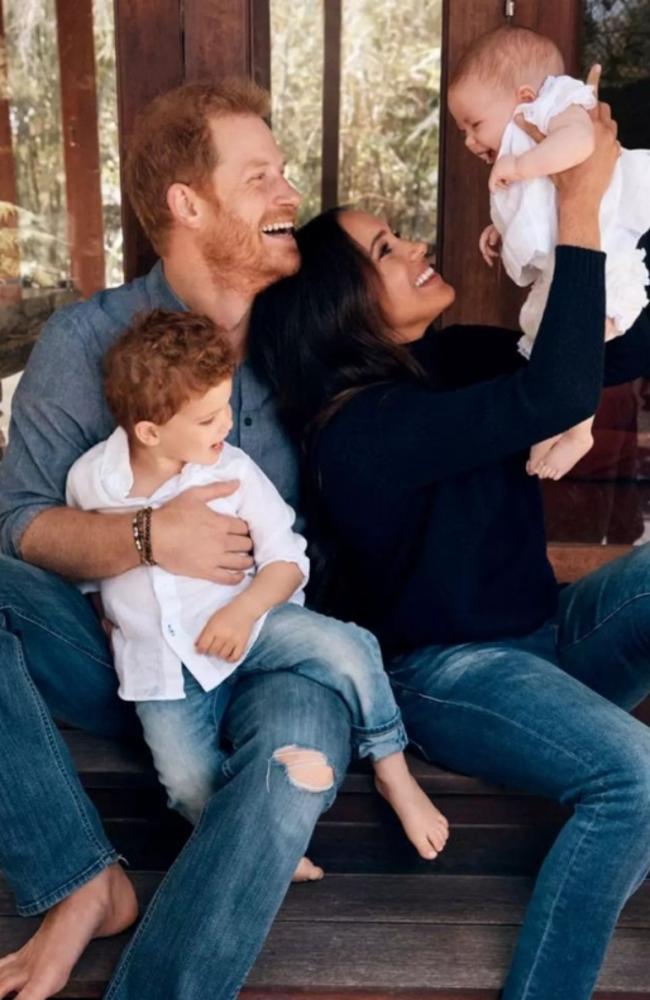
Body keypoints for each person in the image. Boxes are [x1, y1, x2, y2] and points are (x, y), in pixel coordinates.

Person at [250, 96, 650, 1000]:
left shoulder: (452, 357)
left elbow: (607, 359)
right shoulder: (356, 432)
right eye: (387, 250)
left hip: (547, 641)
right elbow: (550, 401)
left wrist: (581, 224)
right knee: (635, 781)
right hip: (454, 676)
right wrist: (576, 202)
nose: (419, 247)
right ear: (339, 308)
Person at [0, 79, 375, 1000]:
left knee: (292, 769)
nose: (289, 195)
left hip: (276, 647)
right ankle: (81, 879)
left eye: (283, 174)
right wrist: (147, 533)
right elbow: (19, 527)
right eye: (261, 179)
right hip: (127, 657)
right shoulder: (86, 341)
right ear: (187, 203)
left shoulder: (311, 334)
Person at [66, 308, 448, 865]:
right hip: (163, 668)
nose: (225, 425)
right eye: (206, 418)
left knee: (350, 647)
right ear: (150, 431)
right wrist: (103, 607)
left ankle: (393, 769)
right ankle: (253, 840)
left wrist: (243, 612)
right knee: (184, 780)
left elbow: (289, 560)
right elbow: (85, 562)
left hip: (255, 621)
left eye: (226, 406)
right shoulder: (91, 481)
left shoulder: (234, 471)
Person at [447, 26, 650, 481]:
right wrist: (498, 230)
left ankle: (579, 432)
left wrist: (519, 165)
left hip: (607, 260)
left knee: (577, 346)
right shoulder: (530, 140)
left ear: (523, 96)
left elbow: (581, 145)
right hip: (566, 267)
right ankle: (552, 425)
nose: (469, 142)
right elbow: (538, 207)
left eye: (475, 125)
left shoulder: (560, 105)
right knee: (551, 348)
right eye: (462, 131)